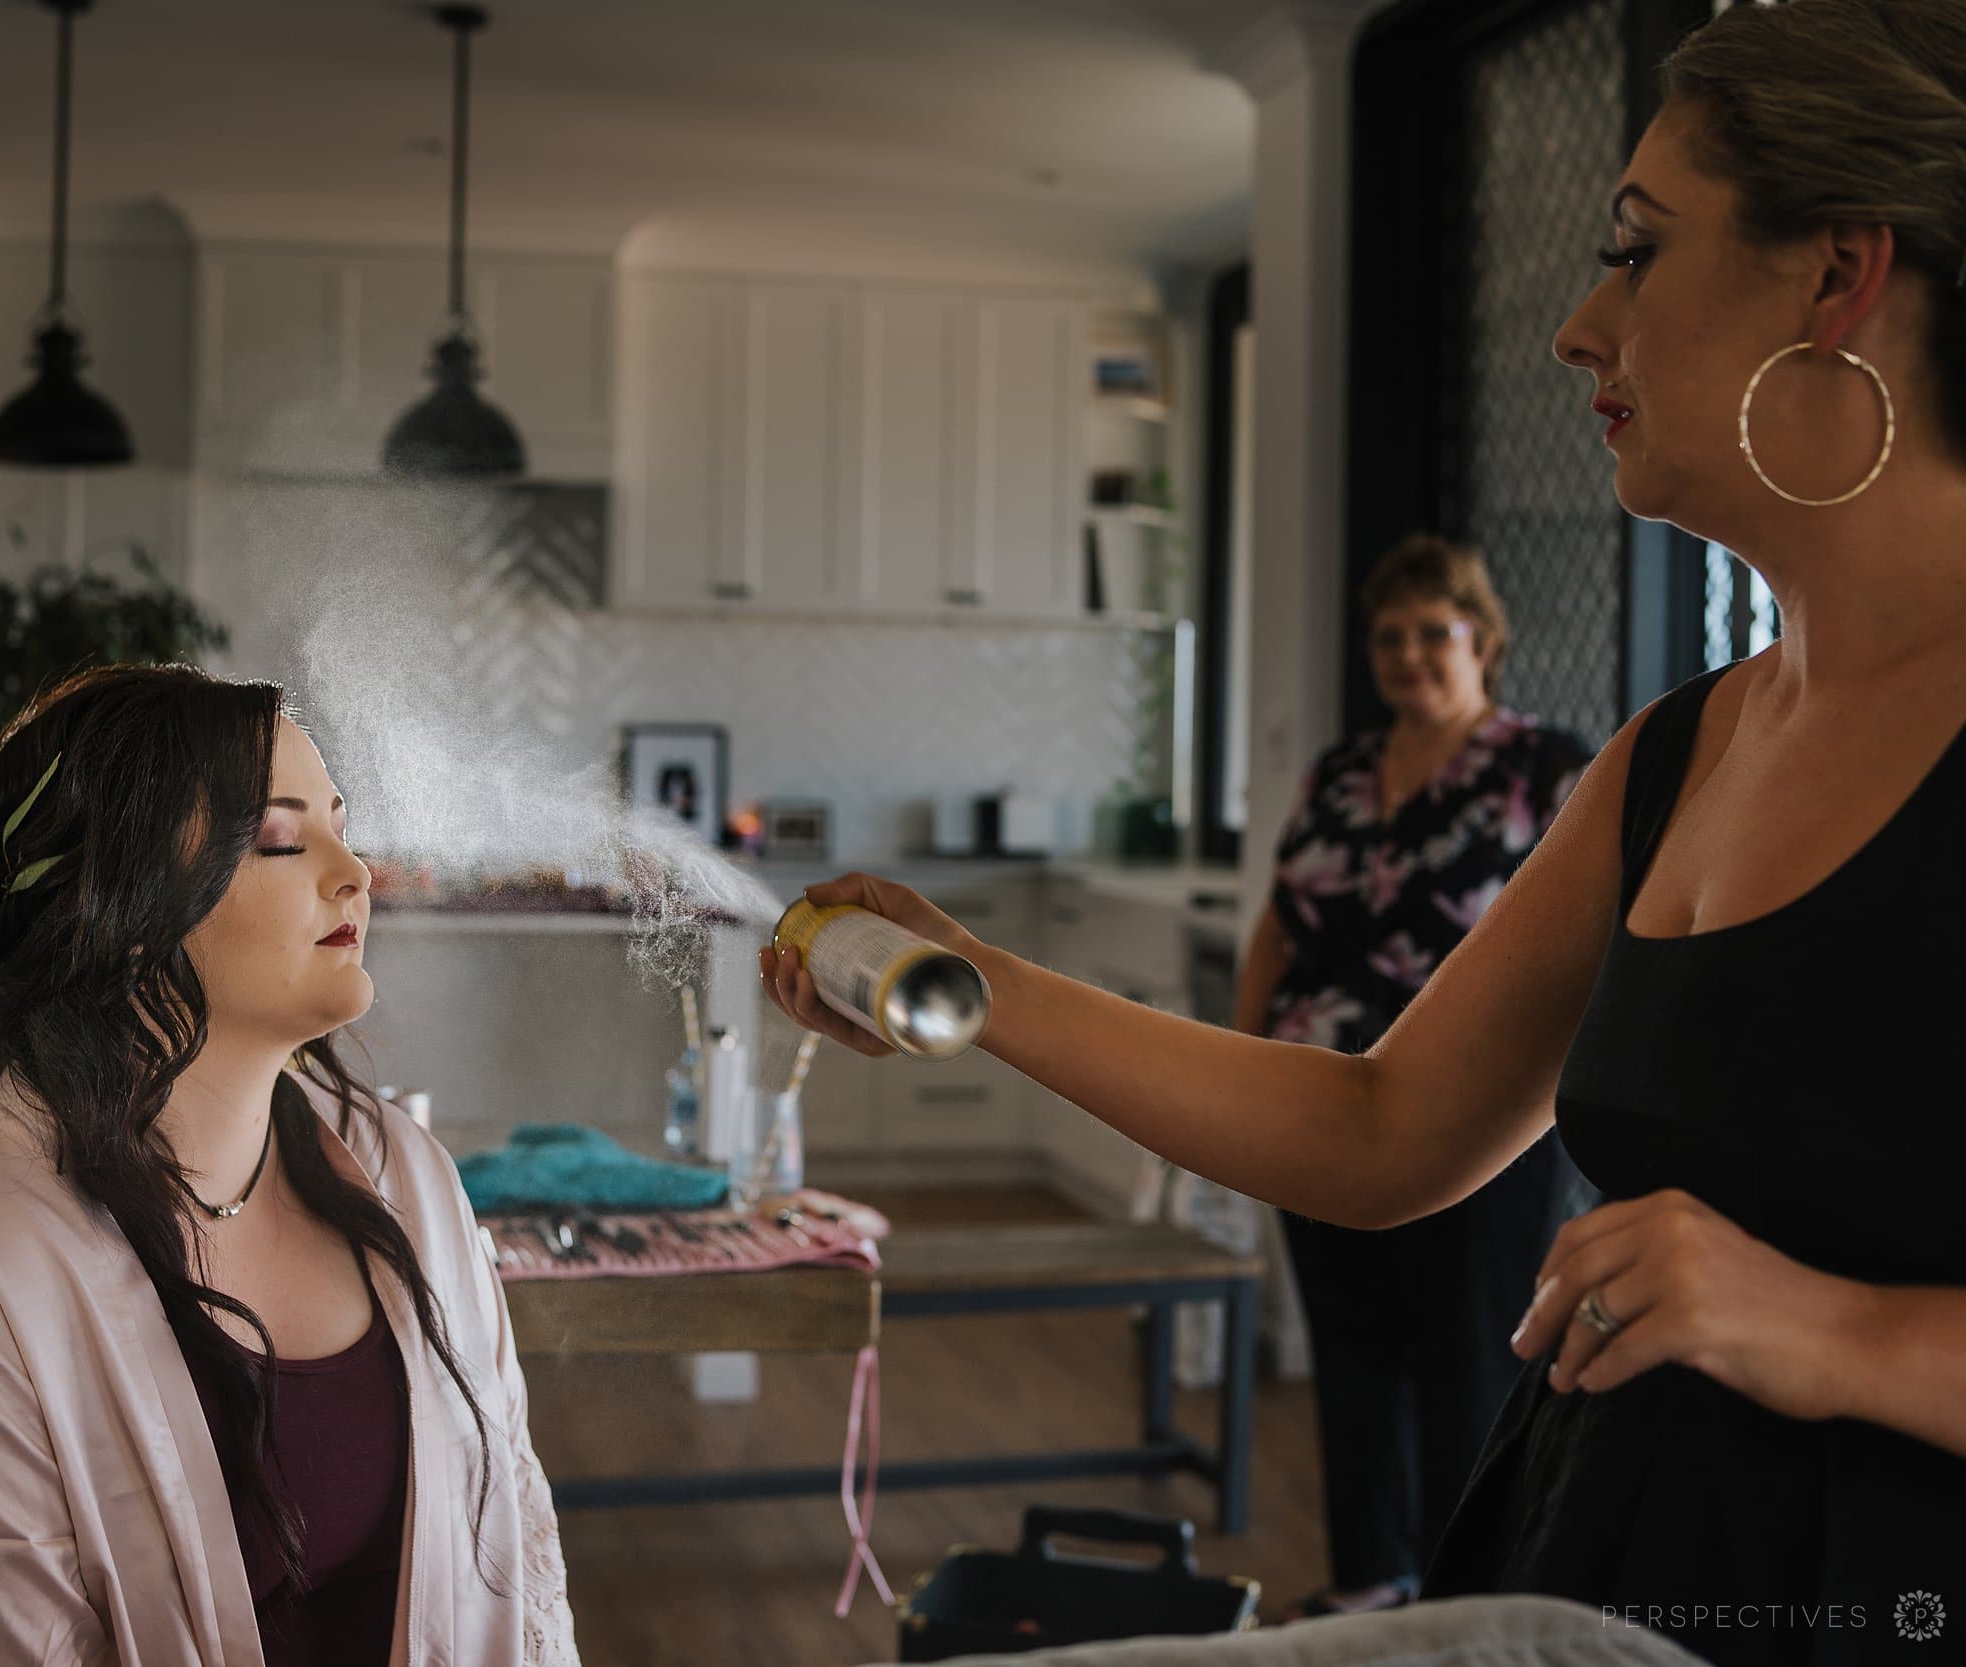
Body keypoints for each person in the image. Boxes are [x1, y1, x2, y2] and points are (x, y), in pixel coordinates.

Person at [767, 5, 1966, 1662]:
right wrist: (976, 980)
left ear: (1838, 274)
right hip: (1583, 1567)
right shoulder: (1674, 753)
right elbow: (1387, 1123)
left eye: (1636, 252)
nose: (1575, 324)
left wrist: (1828, 1327)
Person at [0, 664, 579, 1667]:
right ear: (124, 903)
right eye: (284, 836)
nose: (355, 870)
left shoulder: (406, 1175)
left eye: (340, 820)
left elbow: (521, 1552)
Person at [1234, 535, 1590, 1620]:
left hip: (1477, 1112)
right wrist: (1240, 1067)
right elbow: (1279, 927)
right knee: (1349, 1350)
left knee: (1467, 1359)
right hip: (1313, 1095)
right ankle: (1362, 1583)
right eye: (1388, 636)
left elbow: (1590, 943)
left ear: (1480, 637)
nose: (1409, 655)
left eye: (1432, 631)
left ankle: (1457, 1601)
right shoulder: (1340, 770)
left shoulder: (1548, 766)